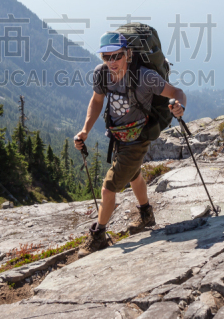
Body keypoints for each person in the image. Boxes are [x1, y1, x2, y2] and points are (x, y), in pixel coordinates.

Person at [74, 31, 186, 257]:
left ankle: (98, 235)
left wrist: (178, 105)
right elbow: (96, 101)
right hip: (118, 136)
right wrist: (85, 130)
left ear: (128, 54)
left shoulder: (145, 77)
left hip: (137, 139)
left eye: (116, 56)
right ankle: (147, 215)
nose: (111, 62)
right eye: (106, 57)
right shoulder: (101, 74)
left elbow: (176, 92)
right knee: (134, 176)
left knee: (108, 189)